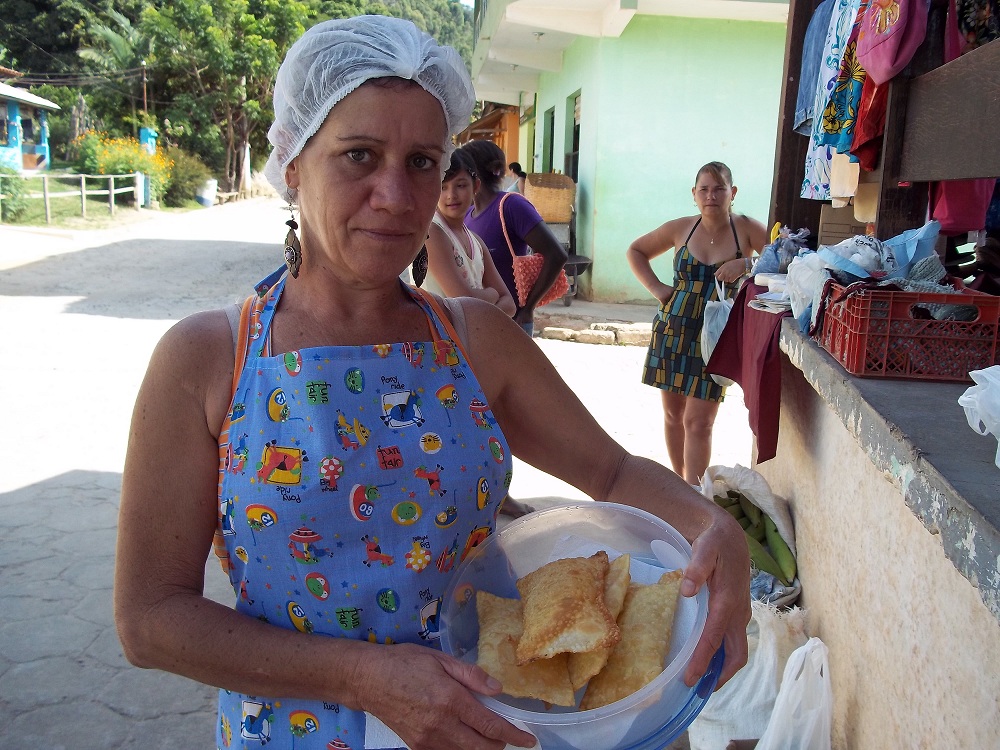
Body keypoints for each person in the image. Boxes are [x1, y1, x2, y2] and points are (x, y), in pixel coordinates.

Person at [114, 18, 750, 750]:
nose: (394, 193)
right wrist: (360, 677)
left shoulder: (474, 341)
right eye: (359, 155)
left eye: (421, 161)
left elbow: (610, 469)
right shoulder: (207, 361)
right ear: (291, 161)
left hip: (491, 725)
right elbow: (151, 617)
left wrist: (713, 526)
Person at [627, 161, 770, 486]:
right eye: (704, 189)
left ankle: (694, 493)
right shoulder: (680, 228)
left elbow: (788, 257)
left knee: (699, 423)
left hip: (717, 338)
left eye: (719, 188)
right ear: (694, 194)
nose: (711, 195)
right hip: (673, 330)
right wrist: (658, 289)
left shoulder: (746, 229)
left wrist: (747, 262)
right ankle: (680, 485)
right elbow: (636, 250)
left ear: (732, 193)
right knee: (674, 416)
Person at [462, 140, 568, 336]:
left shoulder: (510, 206)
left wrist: (527, 309)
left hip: (512, 321)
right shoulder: (467, 215)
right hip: (479, 323)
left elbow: (556, 255)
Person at [422, 149, 516, 317]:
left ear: (476, 186)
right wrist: (492, 294)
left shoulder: (477, 242)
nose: (451, 195)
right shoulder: (432, 233)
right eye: (443, 187)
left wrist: (479, 307)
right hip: (440, 341)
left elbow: (510, 303)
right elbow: (464, 302)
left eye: (461, 185)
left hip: (471, 340)